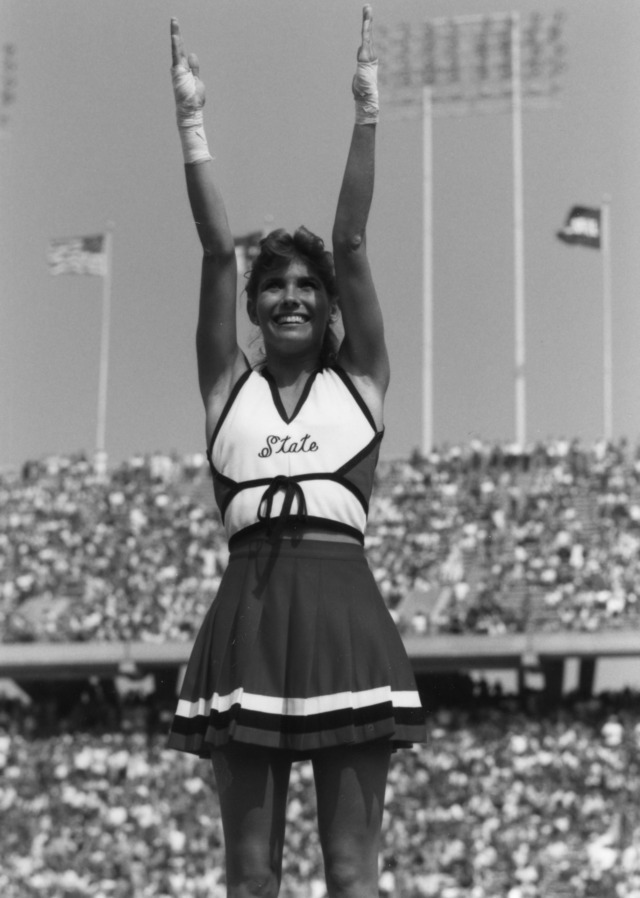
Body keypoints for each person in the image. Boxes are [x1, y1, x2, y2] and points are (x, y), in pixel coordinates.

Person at [167, 8, 426, 897]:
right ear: (254, 309)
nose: (290, 297)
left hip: (342, 616)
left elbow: (350, 242)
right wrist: (192, 124)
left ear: (329, 306)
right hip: (248, 617)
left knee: (351, 871)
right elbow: (213, 249)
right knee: (250, 875)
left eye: (306, 287)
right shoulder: (224, 390)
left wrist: (367, 111)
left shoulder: (362, 383)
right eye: (273, 285)